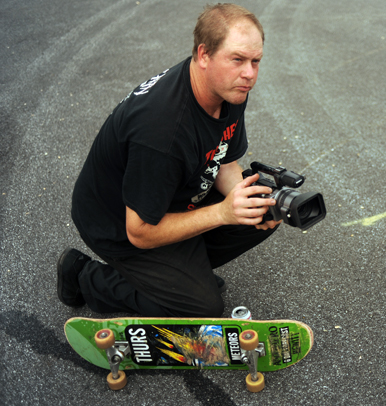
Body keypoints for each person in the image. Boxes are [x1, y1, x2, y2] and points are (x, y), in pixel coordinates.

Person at [57, 3, 280, 317]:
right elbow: (140, 231)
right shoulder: (163, 131)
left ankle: (180, 273)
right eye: (238, 60)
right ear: (204, 55)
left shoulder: (228, 87)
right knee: (203, 306)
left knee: (261, 209)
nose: (249, 74)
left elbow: (223, 160)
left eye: (256, 61)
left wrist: (252, 202)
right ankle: (85, 278)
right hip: (117, 222)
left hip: (167, 195)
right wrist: (222, 212)